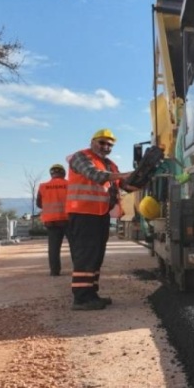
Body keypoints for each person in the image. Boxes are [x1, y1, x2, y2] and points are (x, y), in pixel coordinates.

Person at [66, 128, 135, 311]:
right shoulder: (80, 157)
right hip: (83, 214)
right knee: (86, 256)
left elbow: (126, 185)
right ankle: (81, 299)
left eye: (109, 145)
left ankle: (91, 294)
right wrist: (124, 175)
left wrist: (143, 177)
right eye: (102, 143)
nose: (105, 147)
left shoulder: (110, 165)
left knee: (96, 257)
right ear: (92, 142)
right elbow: (95, 175)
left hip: (100, 214)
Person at [36, 164, 69, 276]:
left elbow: (39, 204)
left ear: (51, 174)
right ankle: (79, 270)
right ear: (63, 173)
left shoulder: (43, 186)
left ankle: (54, 271)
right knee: (75, 246)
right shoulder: (69, 185)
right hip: (68, 220)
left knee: (54, 248)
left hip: (51, 221)